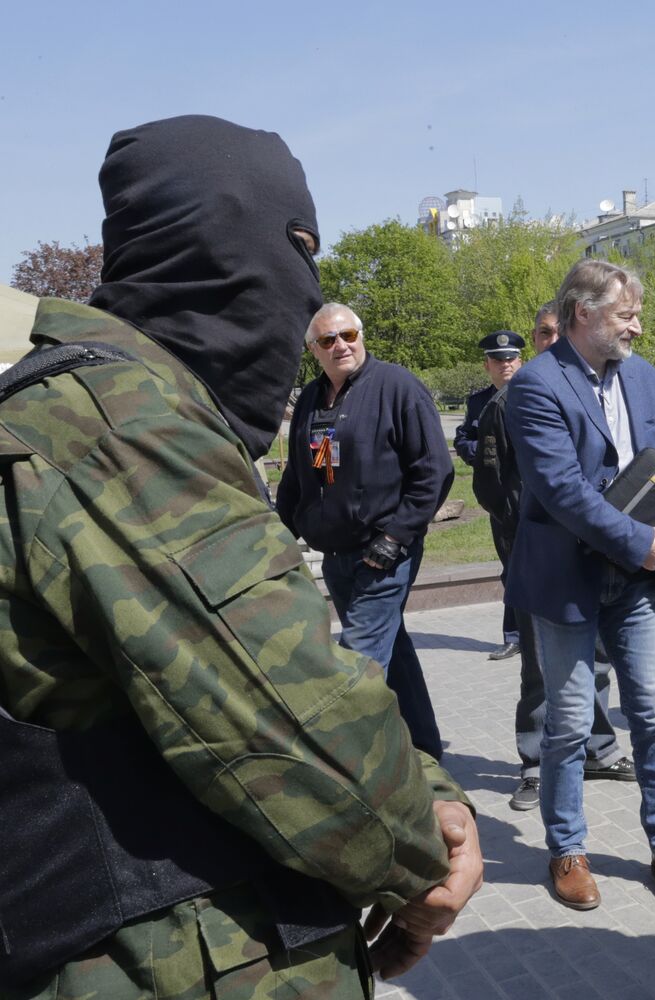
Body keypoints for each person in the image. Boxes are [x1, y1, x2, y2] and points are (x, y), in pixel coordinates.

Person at [0, 115, 480, 996]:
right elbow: (291, 715)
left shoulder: (93, 402)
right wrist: (429, 844)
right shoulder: (121, 422)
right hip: (167, 954)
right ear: (215, 253)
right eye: (293, 254)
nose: (303, 298)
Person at [504, 259, 655, 910]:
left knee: (654, 716)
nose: (637, 327)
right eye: (626, 315)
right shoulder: (534, 385)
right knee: (568, 725)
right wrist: (640, 540)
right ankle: (567, 850)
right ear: (583, 313)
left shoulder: (639, 375)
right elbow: (562, 490)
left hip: (636, 583)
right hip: (568, 579)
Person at [471, 302, 634, 813]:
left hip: (598, 552)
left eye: (556, 332)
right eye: (542, 333)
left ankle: (598, 750)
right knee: (541, 670)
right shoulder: (510, 400)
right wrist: (527, 537)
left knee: (598, 663)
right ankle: (535, 763)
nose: (550, 341)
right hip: (542, 560)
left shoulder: (600, 391)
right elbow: (492, 486)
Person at [276, 303, 451, 765]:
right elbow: (302, 473)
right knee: (395, 650)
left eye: (348, 335)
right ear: (313, 350)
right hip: (336, 554)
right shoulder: (312, 399)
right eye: (328, 340)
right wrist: (279, 532)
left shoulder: (398, 387)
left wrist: (396, 536)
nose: (341, 346)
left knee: (357, 661)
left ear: (361, 336)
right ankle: (426, 752)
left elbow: (433, 471)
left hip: (384, 554)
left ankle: (350, 768)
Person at [457, 331, 525, 660]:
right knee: (510, 566)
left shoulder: (532, 393)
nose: (505, 365)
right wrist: (484, 454)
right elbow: (464, 439)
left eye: (510, 359)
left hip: (530, 493)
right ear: (487, 365)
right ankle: (514, 635)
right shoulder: (478, 402)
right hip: (499, 498)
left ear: (520, 361)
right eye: (498, 360)